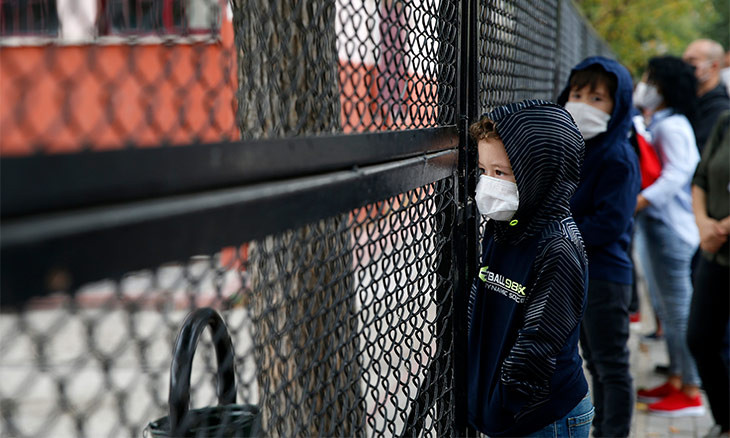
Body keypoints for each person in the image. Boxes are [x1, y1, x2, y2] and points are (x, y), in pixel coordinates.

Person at [467, 100, 593, 437]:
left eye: (501, 173)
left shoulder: (558, 246)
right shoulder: (503, 227)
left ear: (538, 171)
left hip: (544, 416)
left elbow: (539, 343)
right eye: (483, 171)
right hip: (508, 410)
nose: (488, 185)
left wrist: (504, 405)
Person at [557, 57, 641, 438]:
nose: (582, 104)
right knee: (593, 360)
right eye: (576, 94)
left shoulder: (618, 155)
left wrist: (557, 233)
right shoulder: (575, 149)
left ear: (618, 105)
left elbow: (610, 223)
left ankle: (614, 432)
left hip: (605, 276)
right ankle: (602, 429)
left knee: (611, 366)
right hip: (581, 272)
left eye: (597, 97)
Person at [632, 56, 704, 417]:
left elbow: (678, 173)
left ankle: (691, 390)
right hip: (660, 228)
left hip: (672, 231)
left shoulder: (672, 126)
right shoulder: (659, 121)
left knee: (678, 313)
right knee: (667, 308)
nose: (644, 84)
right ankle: (677, 378)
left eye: (650, 78)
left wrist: (641, 200)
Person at [687, 110, 730, 437]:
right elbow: (700, 178)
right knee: (701, 338)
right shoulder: (725, 120)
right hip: (713, 252)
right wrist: (704, 226)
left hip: (718, 239)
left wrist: (723, 229)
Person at [683, 39, 730, 152]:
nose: (685, 67)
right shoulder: (691, 100)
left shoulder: (720, 109)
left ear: (713, 66)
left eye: (691, 61)